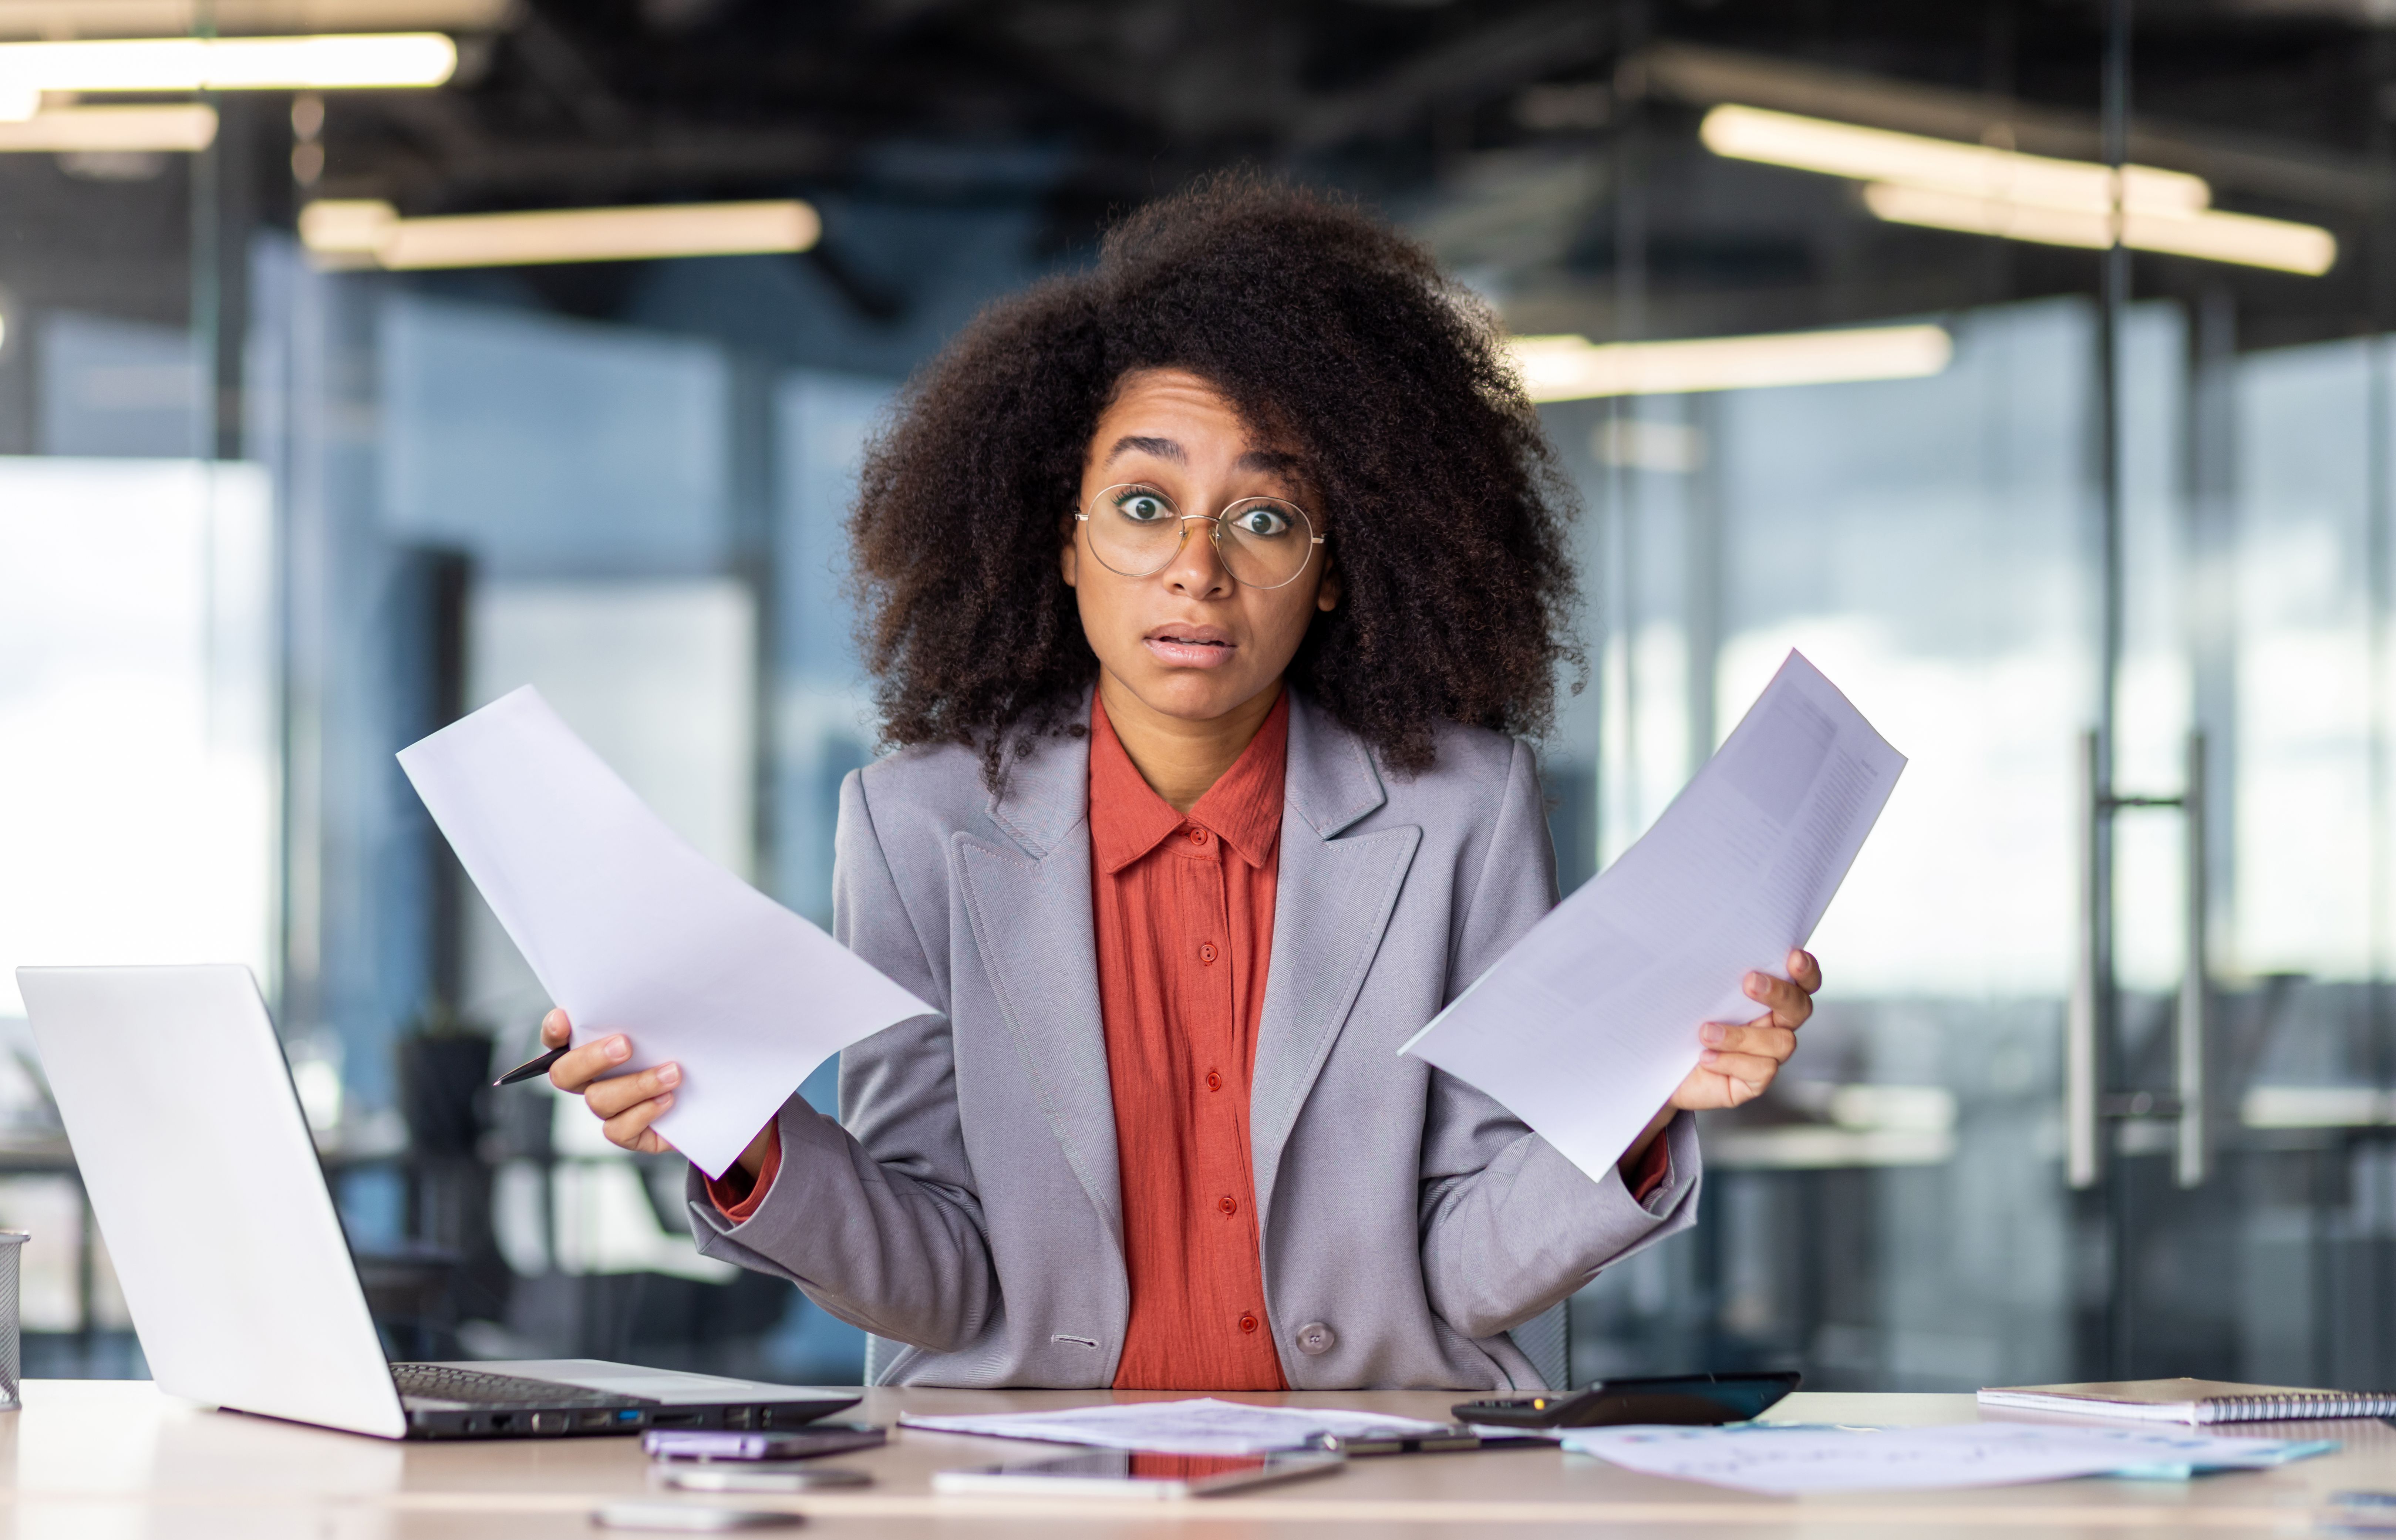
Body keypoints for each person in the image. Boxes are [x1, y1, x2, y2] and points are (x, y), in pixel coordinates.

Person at [539, 175, 1820, 1390]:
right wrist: (747, 1130)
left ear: (1332, 569)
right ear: (1064, 542)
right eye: (1145, 504)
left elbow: (1469, 1270)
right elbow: (934, 1283)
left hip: (1374, 1475)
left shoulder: (1462, 812)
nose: (1197, 571)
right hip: (1031, 1485)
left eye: (1264, 519)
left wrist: (1638, 1099)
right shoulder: (916, 821)